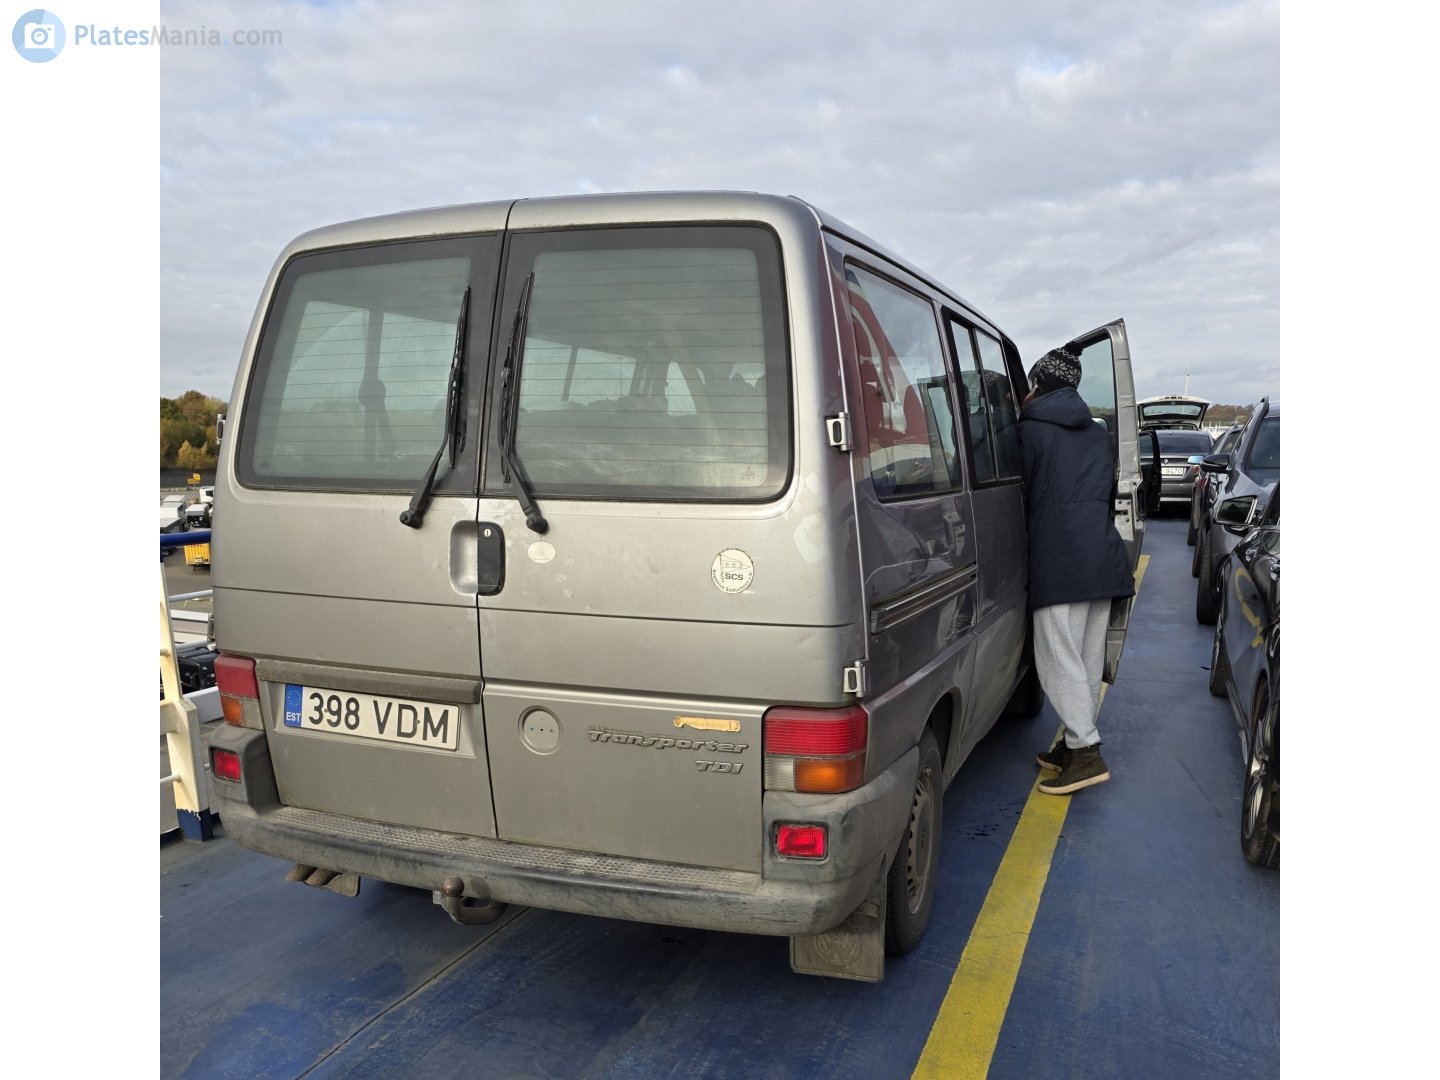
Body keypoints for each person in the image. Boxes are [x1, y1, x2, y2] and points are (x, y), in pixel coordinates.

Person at [1018, 346, 1135, 794]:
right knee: (1084, 656)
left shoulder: (1028, 433)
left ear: (1037, 385)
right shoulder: (1096, 433)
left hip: (1059, 559)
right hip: (1102, 557)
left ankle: (1086, 752)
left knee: (1056, 658)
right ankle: (1073, 742)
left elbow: (1019, 497)